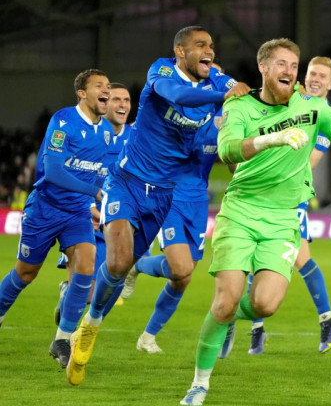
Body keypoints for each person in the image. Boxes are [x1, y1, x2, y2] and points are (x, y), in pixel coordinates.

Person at [179, 38, 331, 406]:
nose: (290, 71)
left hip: (284, 217)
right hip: (241, 211)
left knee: (265, 305)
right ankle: (199, 384)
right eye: (282, 64)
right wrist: (272, 138)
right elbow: (227, 150)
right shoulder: (239, 105)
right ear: (264, 68)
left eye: (294, 65)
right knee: (226, 300)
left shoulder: (313, 107)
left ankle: (225, 320)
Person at [66, 26, 250, 386]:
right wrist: (222, 92)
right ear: (181, 52)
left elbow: (249, 109)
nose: (208, 50)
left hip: (164, 194)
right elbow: (175, 94)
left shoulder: (216, 83)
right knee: (117, 260)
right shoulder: (162, 71)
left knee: (140, 268)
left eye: (212, 45)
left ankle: (115, 318)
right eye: (200, 45)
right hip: (127, 180)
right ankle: (90, 325)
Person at [0, 69, 112, 369]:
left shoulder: (106, 132)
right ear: (82, 93)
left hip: (77, 214)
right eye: (99, 85)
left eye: (109, 86)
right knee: (25, 273)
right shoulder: (64, 121)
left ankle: (62, 339)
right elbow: (54, 171)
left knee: (86, 266)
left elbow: (109, 173)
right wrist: (95, 191)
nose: (107, 90)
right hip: (45, 209)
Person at [237, 56, 331, 356]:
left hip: (291, 196)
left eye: (323, 76)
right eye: (312, 73)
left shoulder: (324, 117)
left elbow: (310, 162)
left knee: (299, 259)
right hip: (264, 193)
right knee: (257, 259)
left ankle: (325, 322)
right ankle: (259, 331)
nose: (315, 79)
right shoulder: (292, 99)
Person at [120, 105, 223, 354]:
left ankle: (148, 337)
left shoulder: (225, 122)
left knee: (183, 278)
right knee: (179, 268)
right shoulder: (178, 114)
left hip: (198, 204)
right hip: (169, 198)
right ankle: (136, 266)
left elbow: (232, 162)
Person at [54, 83, 133, 325]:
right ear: (104, 104)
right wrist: (88, 206)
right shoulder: (90, 135)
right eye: (116, 99)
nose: (122, 105)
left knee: (95, 295)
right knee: (83, 292)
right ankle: (65, 336)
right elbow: (73, 172)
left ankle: (70, 302)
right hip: (85, 214)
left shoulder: (135, 136)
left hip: (116, 217)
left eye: (127, 100)